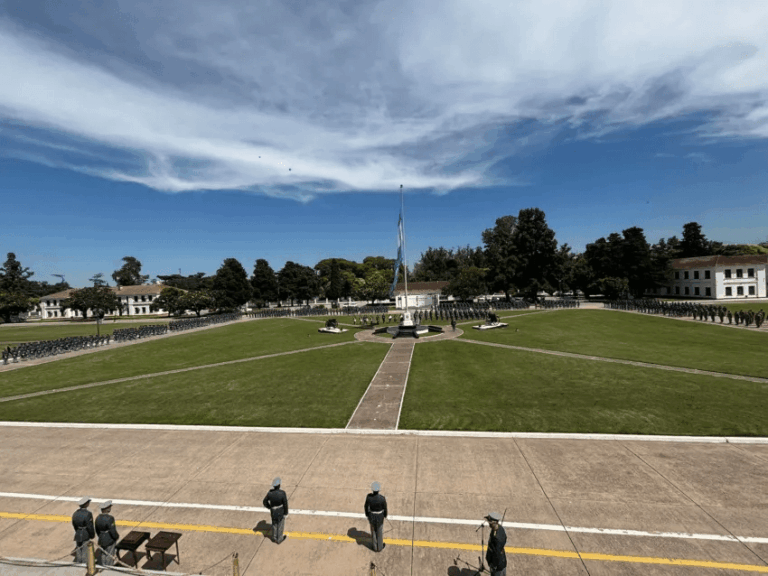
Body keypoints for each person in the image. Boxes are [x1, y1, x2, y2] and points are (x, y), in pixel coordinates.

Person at [263, 477, 289, 544]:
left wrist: (269, 507)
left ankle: (274, 537)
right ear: (279, 485)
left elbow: (264, 502)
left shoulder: (270, 493)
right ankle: (279, 539)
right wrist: (286, 513)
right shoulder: (282, 493)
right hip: (280, 511)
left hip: (273, 511)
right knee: (280, 524)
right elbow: (285, 504)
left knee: (274, 524)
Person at [95, 500, 120, 566]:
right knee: (110, 555)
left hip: (101, 539)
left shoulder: (98, 518)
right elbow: (113, 531)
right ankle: (109, 568)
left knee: (103, 554)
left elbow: (97, 530)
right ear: (107, 509)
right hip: (109, 540)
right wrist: (116, 537)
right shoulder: (110, 518)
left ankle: (103, 566)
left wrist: (101, 536)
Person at [364, 481, 387, 552]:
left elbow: (366, 506)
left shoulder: (369, 497)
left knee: (373, 531)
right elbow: (385, 508)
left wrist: (367, 514)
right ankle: (379, 547)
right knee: (379, 531)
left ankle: (374, 546)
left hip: (372, 516)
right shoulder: (382, 498)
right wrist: (385, 515)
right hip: (380, 516)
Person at [72, 497, 95, 564]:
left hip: (78, 534)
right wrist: (92, 535)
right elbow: (90, 526)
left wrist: (78, 531)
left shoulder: (75, 513)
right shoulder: (88, 514)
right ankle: (84, 565)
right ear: (86, 504)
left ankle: (78, 564)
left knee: (79, 552)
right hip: (85, 535)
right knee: (85, 552)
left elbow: (74, 524)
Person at [485, 512, 507, 576]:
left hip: (497, 566)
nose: (489, 523)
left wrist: (494, 566)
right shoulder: (498, 528)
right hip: (498, 562)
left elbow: (497, 554)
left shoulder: (497, 538)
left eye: (490, 522)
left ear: (495, 522)